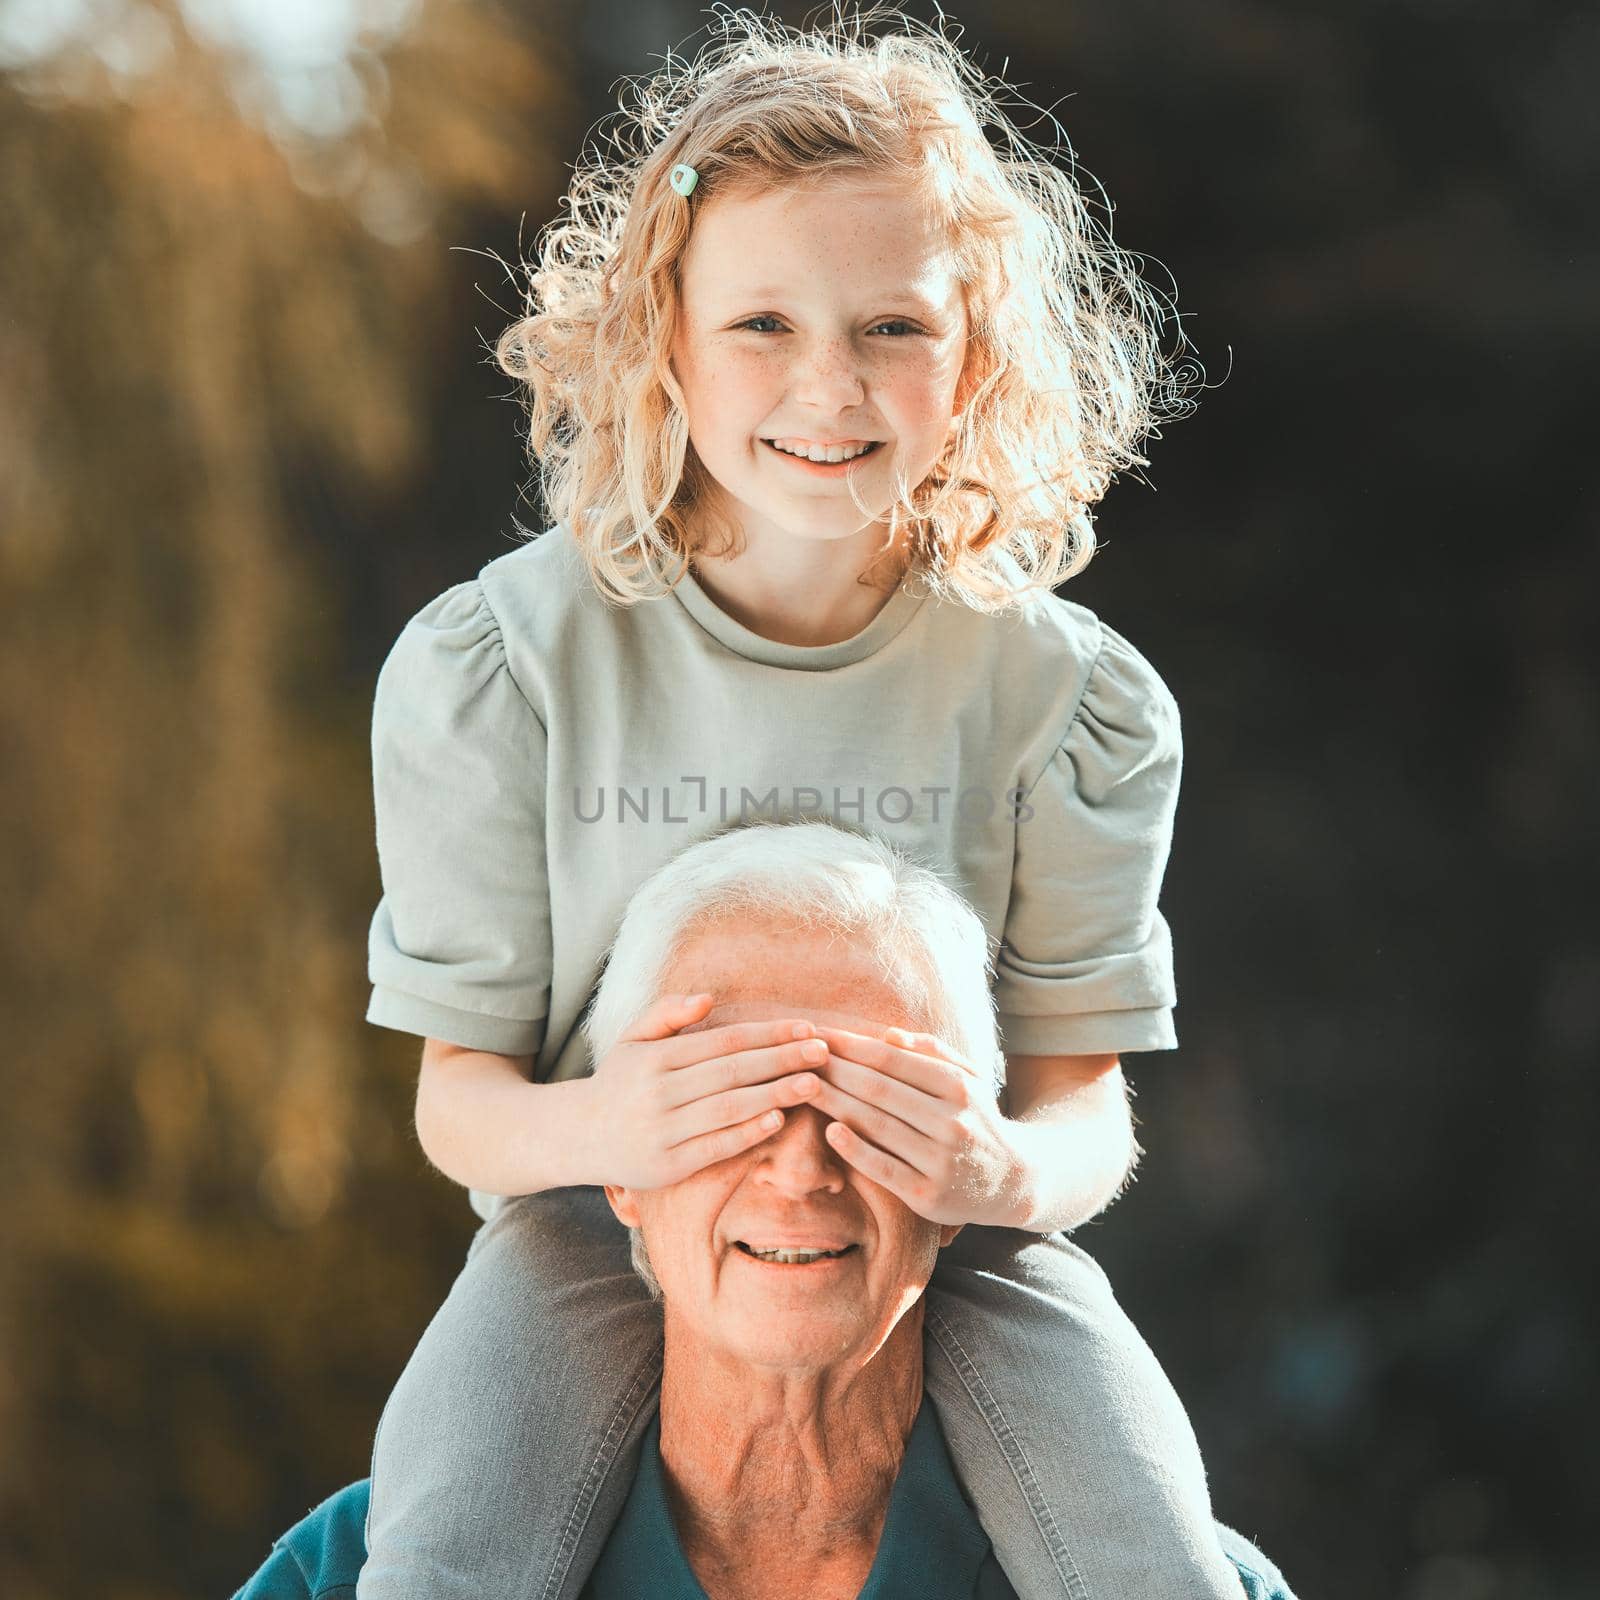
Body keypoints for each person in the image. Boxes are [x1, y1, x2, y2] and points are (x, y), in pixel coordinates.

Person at [359, 11, 1236, 1599]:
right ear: (663, 343)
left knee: (1153, 1556)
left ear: (974, 360)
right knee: (445, 1553)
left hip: (945, 1239)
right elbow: (456, 1100)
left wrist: (998, 1177)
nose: (827, 386)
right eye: (761, 321)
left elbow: (1086, 1109)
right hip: (592, 1228)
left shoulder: (1069, 699)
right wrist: (607, 1131)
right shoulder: (504, 664)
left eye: (893, 327)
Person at [242, 827, 1294, 1599]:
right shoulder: (373, 1570)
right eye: (726, 1099)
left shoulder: (1177, 1579)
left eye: (871, 1105)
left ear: (958, 1183)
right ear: (620, 1171)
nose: (799, 1169)